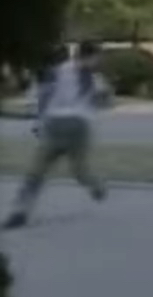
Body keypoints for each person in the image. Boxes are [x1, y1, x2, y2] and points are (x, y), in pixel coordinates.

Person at [3, 41, 108, 230]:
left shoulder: (95, 78)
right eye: (97, 58)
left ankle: (96, 186)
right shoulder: (60, 72)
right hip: (56, 124)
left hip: (78, 127)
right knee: (36, 171)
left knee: (79, 171)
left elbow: (102, 100)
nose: (98, 62)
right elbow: (43, 96)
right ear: (88, 56)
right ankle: (20, 211)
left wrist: (100, 97)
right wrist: (39, 122)